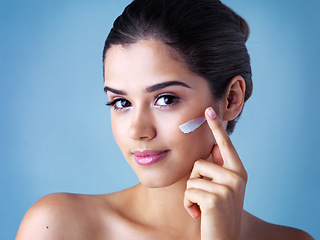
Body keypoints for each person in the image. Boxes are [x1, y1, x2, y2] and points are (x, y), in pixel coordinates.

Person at [16, 0, 314, 239]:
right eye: (121, 102)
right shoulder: (56, 227)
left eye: (165, 99)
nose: (137, 130)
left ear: (231, 99)